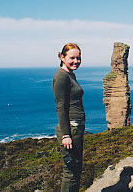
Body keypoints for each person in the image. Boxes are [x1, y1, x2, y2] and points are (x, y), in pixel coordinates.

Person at [53, 43, 85, 191]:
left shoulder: (70, 74)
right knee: (71, 170)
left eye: (78, 58)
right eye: (72, 58)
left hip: (75, 127)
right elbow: (61, 106)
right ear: (62, 57)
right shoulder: (61, 77)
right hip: (71, 129)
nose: (76, 61)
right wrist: (66, 135)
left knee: (76, 168)